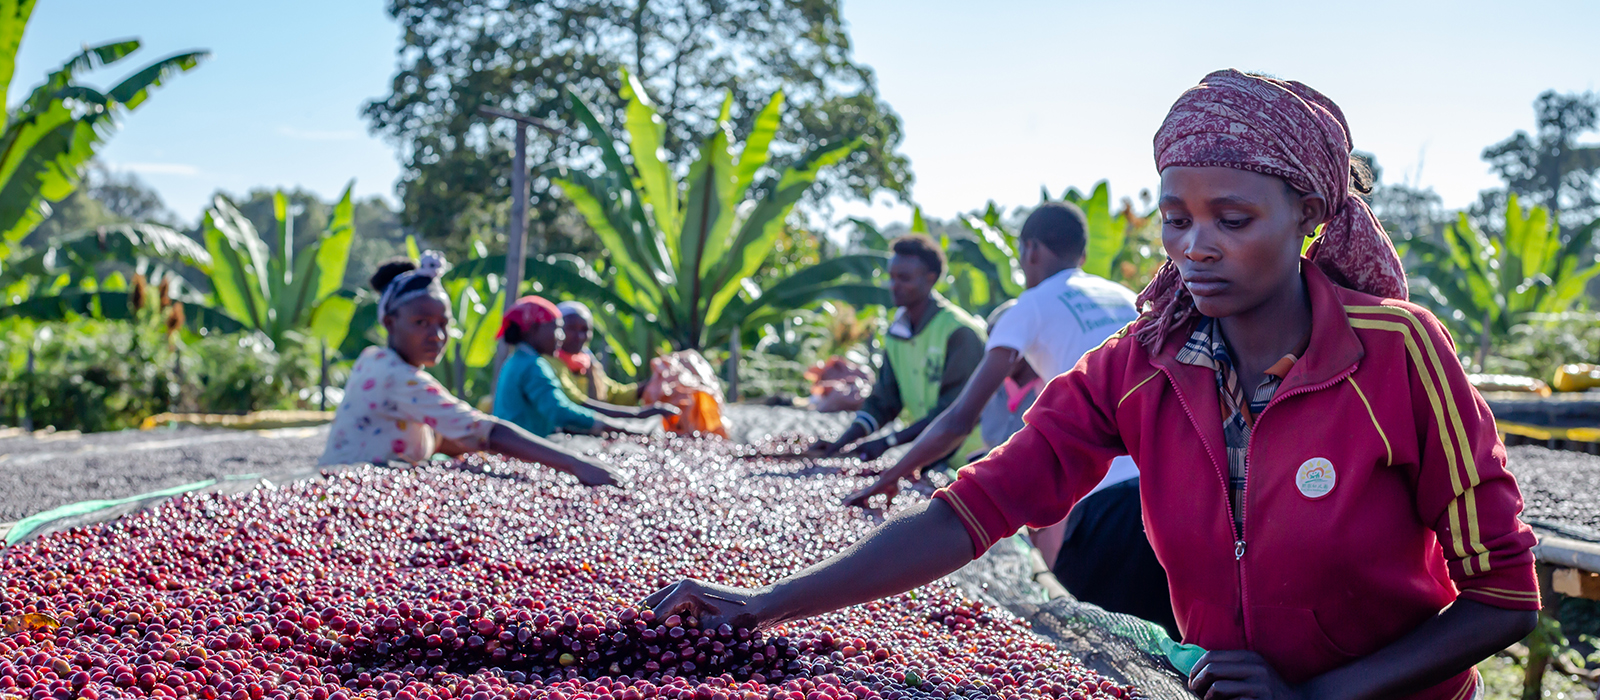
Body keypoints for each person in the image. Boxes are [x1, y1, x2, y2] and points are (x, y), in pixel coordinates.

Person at [647, 70, 1540, 700]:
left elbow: (1503, 597)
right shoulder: (1144, 362)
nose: (1195, 247)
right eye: (1176, 218)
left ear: (1308, 216)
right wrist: (767, 605)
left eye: (1233, 219)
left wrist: (1321, 694)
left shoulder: (1396, 353)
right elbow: (975, 508)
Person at [846, 202, 1174, 636]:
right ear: (1081, 252)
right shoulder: (1122, 295)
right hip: (1176, 496)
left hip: (1109, 509)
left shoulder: (1029, 307)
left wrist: (889, 476)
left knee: (1108, 648)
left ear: (1031, 250)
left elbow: (959, 418)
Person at [320, 253, 623, 488]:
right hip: (354, 485)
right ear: (390, 323)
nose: (436, 335)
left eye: (443, 324)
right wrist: (576, 464)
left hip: (341, 478)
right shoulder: (399, 377)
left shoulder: (372, 358)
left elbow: (441, 434)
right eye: (421, 323)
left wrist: (479, 455)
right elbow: (485, 431)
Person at [805, 234, 988, 467]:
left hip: (973, 457)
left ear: (930, 279)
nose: (894, 285)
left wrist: (887, 442)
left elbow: (953, 411)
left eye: (904, 278)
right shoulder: (897, 333)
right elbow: (885, 400)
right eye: (891, 277)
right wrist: (840, 442)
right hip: (931, 456)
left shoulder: (960, 333)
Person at [493, 295, 675, 437]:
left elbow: (611, 392)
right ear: (534, 330)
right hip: (524, 444)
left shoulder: (521, 360)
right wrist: (618, 425)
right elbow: (560, 410)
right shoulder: (534, 365)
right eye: (557, 328)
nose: (561, 336)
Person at [549, 301, 649, 415]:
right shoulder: (551, 363)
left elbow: (613, 394)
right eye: (571, 328)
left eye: (584, 330)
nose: (579, 336)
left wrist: (649, 385)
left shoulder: (589, 365)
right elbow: (577, 402)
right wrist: (638, 415)